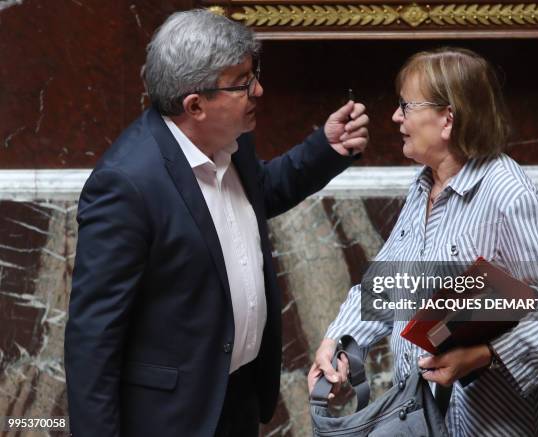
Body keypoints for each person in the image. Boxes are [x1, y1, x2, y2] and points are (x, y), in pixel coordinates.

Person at [64, 9, 369, 437]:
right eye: (243, 82)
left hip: (236, 400)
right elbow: (93, 339)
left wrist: (326, 149)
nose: (258, 89)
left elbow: (260, 190)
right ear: (195, 105)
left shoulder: (230, 142)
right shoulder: (127, 185)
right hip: (171, 417)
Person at [308, 47, 538, 436]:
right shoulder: (425, 183)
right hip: (428, 417)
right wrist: (338, 342)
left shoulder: (509, 194)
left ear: (447, 119)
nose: (395, 117)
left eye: (406, 106)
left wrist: (484, 355)